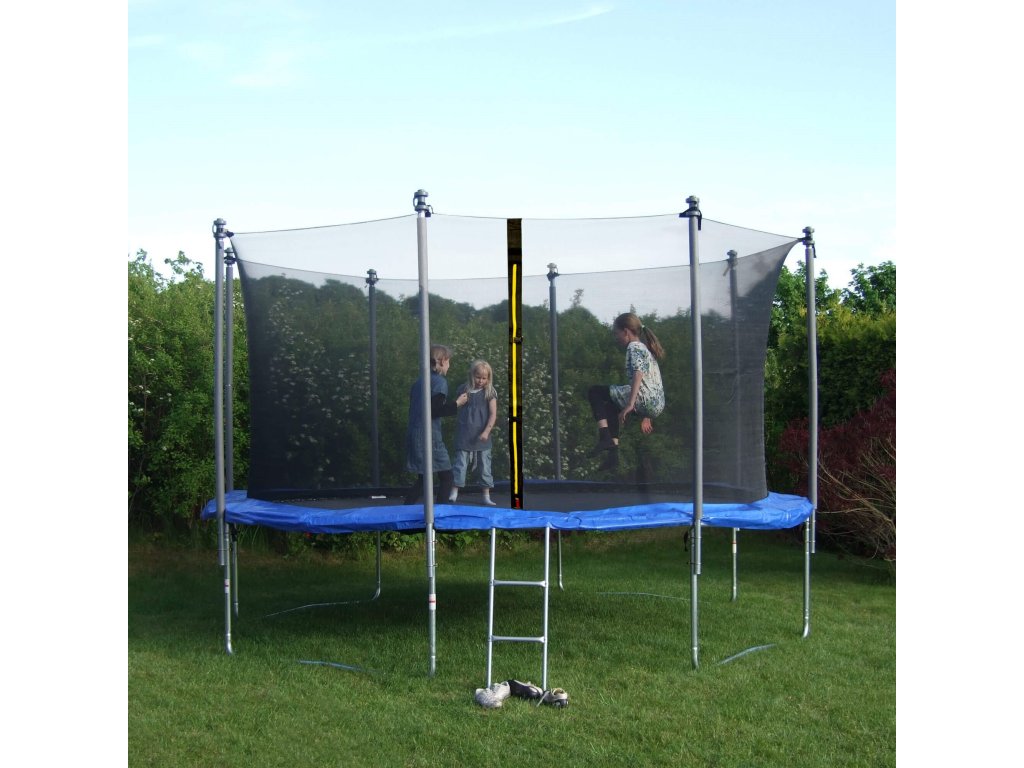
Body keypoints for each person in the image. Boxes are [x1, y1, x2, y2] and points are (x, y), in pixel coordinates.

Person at [587, 312, 666, 470]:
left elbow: (638, 373)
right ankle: (613, 455)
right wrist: (647, 414)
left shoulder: (634, 347)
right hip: (656, 404)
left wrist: (631, 404)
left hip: (644, 400)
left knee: (594, 392)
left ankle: (605, 437)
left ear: (626, 331)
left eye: (616, 333)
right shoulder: (645, 349)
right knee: (611, 405)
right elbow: (652, 381)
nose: (616, 338)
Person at [404, 344, 468, 505]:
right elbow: (434, 410)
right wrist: (457, 403)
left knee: (424, 478)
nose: (449, 365)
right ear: (441, 361)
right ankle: (441, 512)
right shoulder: (439, 382)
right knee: (446, 476)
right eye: (448, 361)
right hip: (428, 436)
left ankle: (406, 509)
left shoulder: (420, 381)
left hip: (415, 432)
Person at [449, 360, 498, 506]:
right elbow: (457, 406)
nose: (481, 381)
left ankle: (486, 495)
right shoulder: (464, 389)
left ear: (488, 378)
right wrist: (459, 401)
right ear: (472, 375)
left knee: (484, 467)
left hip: (482, 436)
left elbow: (493, 414)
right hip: (464, 434)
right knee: (460, 465)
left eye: (484, 378)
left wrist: (486, 431)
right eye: (478, 377)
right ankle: (454, 492)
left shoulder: (489, 392)